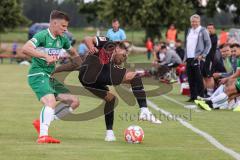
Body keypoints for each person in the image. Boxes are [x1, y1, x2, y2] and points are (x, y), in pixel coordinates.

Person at [53, 36, 162, 142]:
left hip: (88, 81)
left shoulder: (112, 61)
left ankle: (109, 134)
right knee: (134, 77)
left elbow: (76, 65)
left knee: (111, 99)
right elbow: (87, 38)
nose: (123, 59)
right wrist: (92, 47)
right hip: (94, 72)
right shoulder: (109, 44)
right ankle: (144, 110)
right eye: (124, 56)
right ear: (118, 48)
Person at [22, 10, 81, 144]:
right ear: (54, 23)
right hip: (38, 74)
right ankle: (43, 136)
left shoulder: (63, 40)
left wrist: (80, 64)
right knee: (50, 102)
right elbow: (26, 48)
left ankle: (43, 121)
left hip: (50, 77)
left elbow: (72, 51)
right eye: (63, 26)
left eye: (67, 27)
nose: (66, 29)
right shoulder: (42, 35)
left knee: (74, 102)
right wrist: (44, 55)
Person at [195, 43, 240, 111]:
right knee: (231, 94)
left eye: (234, 51)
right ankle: (213, 105)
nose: (233, 53)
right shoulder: (236, 59)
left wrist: (226, 78)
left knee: (229, 91)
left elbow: (237, 74)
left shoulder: (235, 59)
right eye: (232, 51)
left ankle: (208, 103)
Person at [184, 14, 211, 102]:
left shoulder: (203, 31)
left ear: (199, 22)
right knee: (190, 78)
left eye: (196, 21)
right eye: (192, 21)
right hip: (189, 58)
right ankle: (193, 96)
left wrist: (203, 55)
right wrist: (185, 57)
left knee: (199, 78)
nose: (194, 23)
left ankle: (201, 96)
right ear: (190, 22)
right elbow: (187, 45)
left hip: (198, 58)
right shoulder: (189, 31)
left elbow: (208, 44)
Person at [202, 23, 218, 97]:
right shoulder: (205, 37)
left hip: (210, 59)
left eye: (211, 28)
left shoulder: (214, 37)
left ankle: (210, 94)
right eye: (208, 28)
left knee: (209, 76)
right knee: (203, 76)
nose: (209, 30)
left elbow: (209, 43)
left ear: (214, 29)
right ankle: (204, 92)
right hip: (204, 59)